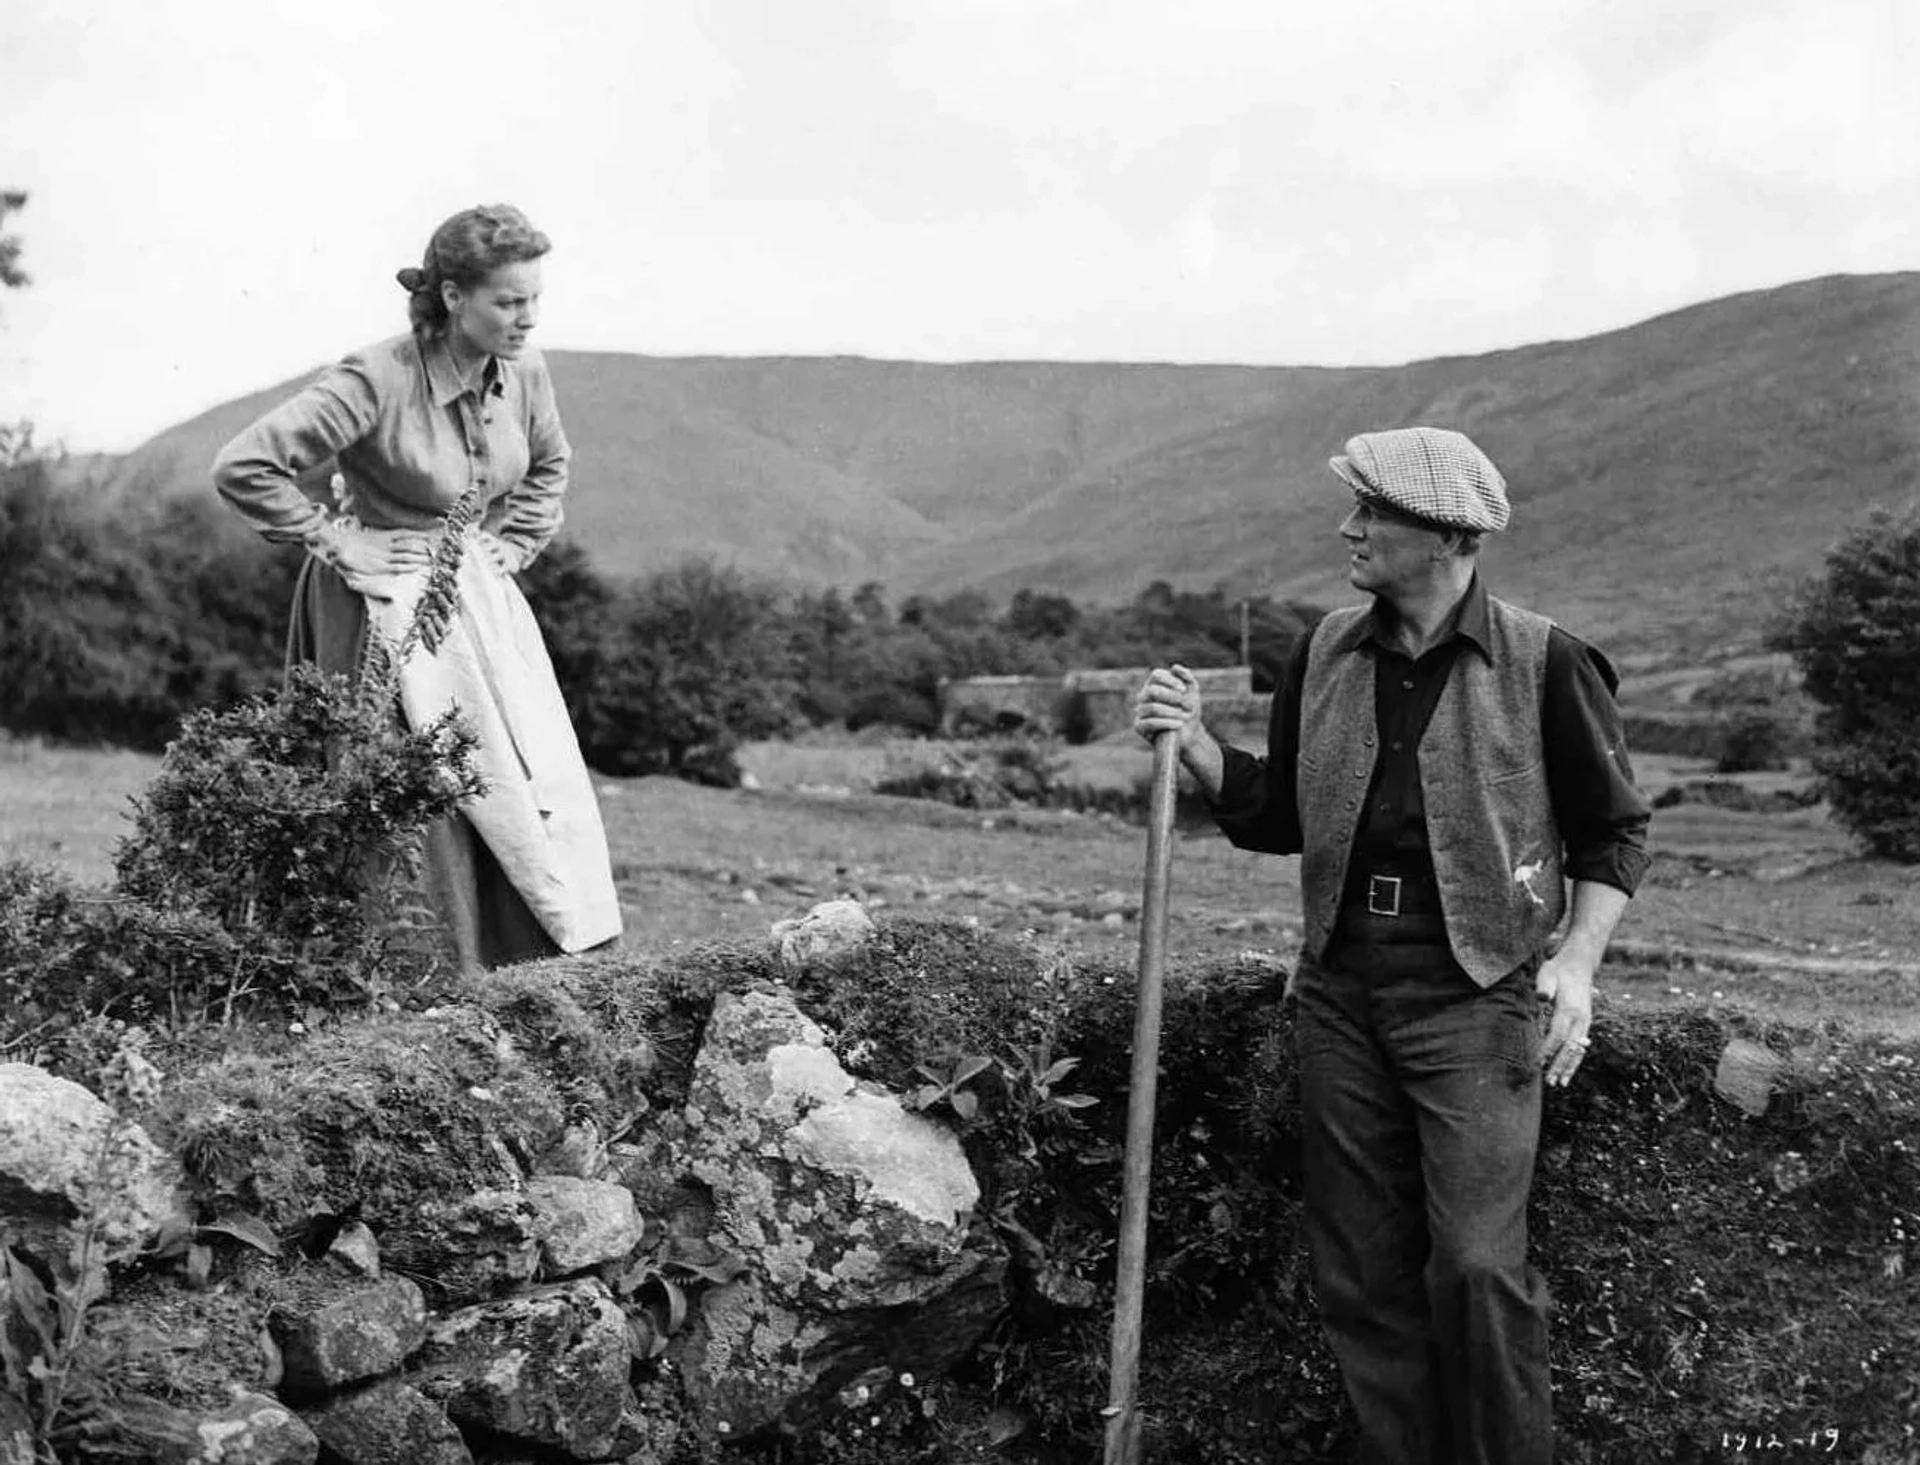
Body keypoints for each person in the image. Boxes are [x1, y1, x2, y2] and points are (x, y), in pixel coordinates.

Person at [1133, 425, 1651, 1465]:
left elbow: (1615, 829)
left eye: (1372, 511)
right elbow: (1282, 811)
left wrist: (1578, 962)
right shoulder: (1322, 651)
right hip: (1340, 995)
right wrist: (1193, 747)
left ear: (1448, 536)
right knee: (1361, 1273)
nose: (1349, 528)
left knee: (1471, 1264)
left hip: (1475, 999)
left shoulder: (1545, 661)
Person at [214, 202, 622, 972]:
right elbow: (244, 465)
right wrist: (337, 536)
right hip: (377, 608)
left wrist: (515, 541)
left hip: (476, 605)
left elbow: (548, 464)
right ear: (453, 296)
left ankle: (517, 971)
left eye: (534, 298)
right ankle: (406, 976)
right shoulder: (375, 377)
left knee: (504, 775)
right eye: (508, 300)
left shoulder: (525, 372)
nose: (527, 316)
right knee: (410, 790)